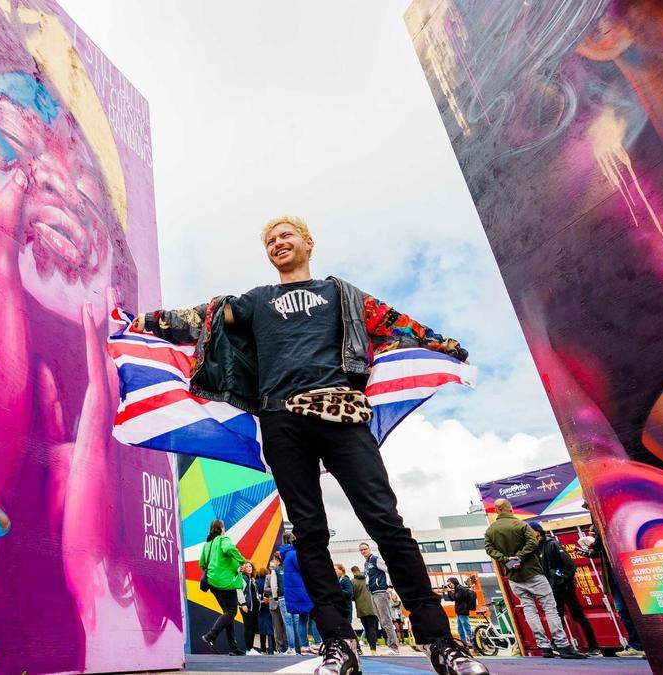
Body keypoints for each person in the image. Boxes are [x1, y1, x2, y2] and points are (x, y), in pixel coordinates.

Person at [133, 216, 487, 675]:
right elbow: (198, 319)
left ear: (307, 243)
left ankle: (441, 643)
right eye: (270, 240)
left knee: (386, 523)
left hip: (342, 413)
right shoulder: (256, 301)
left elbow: (398, 324)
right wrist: (145, 322)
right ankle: (338, 645)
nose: (278, 243)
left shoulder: (342, 295)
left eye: (286, 236)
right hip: (281, 421)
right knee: (309, 532)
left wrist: (443, 344)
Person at [483, 499, 585, 659]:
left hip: (513, 576)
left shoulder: (490, 531)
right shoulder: (521, 525)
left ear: (496, 510)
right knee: (550, 607)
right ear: (510, 508)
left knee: (529, 609)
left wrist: (507, 560)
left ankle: (544, 647)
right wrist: (520, 558)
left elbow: (489, 549)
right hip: (533, 573)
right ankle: (563, 645)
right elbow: (532, 543)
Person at [529, 523, 600, 656]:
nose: (528, 533)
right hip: (551, 588)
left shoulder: (552, 544)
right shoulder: (536, 548)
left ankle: (593, 646)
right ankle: (556, 645)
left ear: (538, 531)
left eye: (530, 530)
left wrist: (562, 580)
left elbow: (570, 565)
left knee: (577, 615)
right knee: (557, 616)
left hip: (564, 586)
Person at [578, 521, 645, 658]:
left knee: (632, 608)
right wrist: (589, 552)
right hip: (614, 569)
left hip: (623, 568)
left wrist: (593, 544)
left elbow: (598, 545)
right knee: (624, 609)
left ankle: (641, 645)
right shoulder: (597, 523)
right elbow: (598, 550)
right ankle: (637, 645)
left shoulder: (603, 522)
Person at [200, 519, 247, 656]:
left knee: (228, 613)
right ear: (221, 528)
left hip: (212, 582)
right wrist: (242, 560)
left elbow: (202, 563)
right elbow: (229, 549)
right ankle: (210, 636)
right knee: (232, 611)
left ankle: (233, 647)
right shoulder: (223, 539)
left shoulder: (207, 544)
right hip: (225, 583)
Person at [359, 543, 401, 655]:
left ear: (369, 549)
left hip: (381, 592)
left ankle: (394, 647)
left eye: (365, 549)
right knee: (382, 621)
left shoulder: (375, 560)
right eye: (361, 550)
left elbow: (390, 570)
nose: (363, 551)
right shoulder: (366, 563)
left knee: (386, 620)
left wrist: (390, 587)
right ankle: (391, 645)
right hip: (373, 593)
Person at [281, 533, 315, 655]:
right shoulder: (295, 554)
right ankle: (317, 643)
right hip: (302, 590)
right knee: (314, 616)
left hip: (295, 592)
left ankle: (305, 646)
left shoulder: (286, 555)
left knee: (302, 618)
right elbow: (305, 568)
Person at [351, 567, 380, 655]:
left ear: (353, 572)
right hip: (373, 606)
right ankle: (373, 649)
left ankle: (372, 649)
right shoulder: (368, 577)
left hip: (361, 608)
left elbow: (352, 595)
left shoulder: (353, 581)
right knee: (372, 628)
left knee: (367, 629)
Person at [443, 577, 475, 650]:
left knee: (467, 630)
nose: (450, 585)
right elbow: (451, 599)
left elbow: (456, 598)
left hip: (463, 612)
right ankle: (465, 646)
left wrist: (450, 591)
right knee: (460, 631)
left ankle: (475, 647)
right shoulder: (457, 589)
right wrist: (448, 591)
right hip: (459, 612)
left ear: (454, 582)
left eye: (450, 584)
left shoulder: (461, 589)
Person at [267, 552, 289, 653]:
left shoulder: (286, 570)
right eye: (270, 566)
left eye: (273, 565)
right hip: (274, 604)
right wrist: (273, 590)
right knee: (278, 628)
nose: (272, 567)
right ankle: (280, 647)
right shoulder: (269, 576)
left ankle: (289, 646)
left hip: (283, 600)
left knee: (287, 625)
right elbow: (266, 589)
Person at [241, 562, 261, 654]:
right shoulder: (243, 578)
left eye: (250, 566)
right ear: (244, 569)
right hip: (247, 606)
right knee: (248, 627)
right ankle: (248, 649)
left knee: (252, 627)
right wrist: (243, 603)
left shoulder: (251, 579)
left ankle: (251, 648)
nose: (249, 568)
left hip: (254, 607)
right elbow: (239, 591)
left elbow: (254, 594)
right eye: (247, 567)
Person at [257, 567, 276, 654]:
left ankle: (263, 650)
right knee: (271, 628)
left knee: (262, 630)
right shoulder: (269, 581)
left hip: (260, 608)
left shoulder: (256, 582)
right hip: (269, 606)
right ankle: (274, 649)